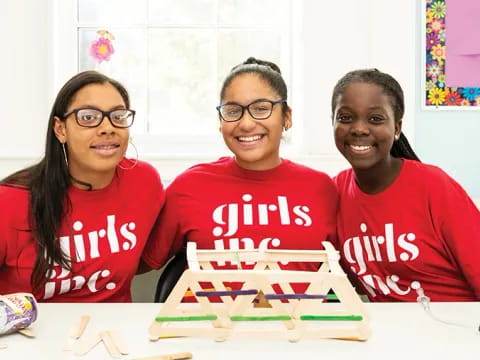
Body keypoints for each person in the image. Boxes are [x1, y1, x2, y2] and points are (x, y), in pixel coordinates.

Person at [141, 57, 338, 296]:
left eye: (261, 108)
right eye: (233, 111)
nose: (246, 124)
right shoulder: (189, 186)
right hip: (207, 329)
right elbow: (138, 262)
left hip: (298, 329)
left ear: (287, 117)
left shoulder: (322, 189)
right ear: (220, 120)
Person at [0, 71, 166, 302]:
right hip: (28, 333)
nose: (108, 127)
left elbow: (145, 260)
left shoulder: (144, 182)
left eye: (118, 116)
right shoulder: (9, 200)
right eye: (88, 117)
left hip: (116, 331)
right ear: (60, 129)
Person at [331, 68, 480, 302]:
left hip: (458, 330)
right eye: (345, 118)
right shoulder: (335, 192)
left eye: (375, 119)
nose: (359, 128)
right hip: (391, 334)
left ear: (397, 128)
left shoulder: (434, 186)